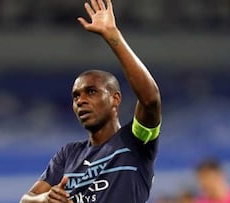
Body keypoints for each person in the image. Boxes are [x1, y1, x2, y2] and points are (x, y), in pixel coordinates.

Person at [19, 0, 162, 202]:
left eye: (91, 91)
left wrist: (114, 37)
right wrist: (44, 199)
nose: (81, 100)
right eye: (76, 95)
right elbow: (26, 199)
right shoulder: (68, 154)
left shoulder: (136, 142)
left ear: (115, 99)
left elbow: (150, 100)